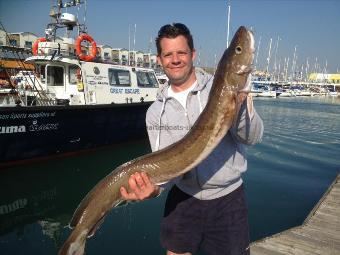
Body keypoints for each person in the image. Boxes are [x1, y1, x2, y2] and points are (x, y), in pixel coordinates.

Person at [120, 23, 264, 255]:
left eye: (181, 53)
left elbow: (252, 137)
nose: (175, 59)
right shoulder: (156, 112)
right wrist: (153, 190)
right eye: (168, 54)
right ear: (159, 59)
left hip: (228, 198)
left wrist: (237, 107)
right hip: (184, 198)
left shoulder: (218, 88)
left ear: (193, 54)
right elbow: (166, 171)